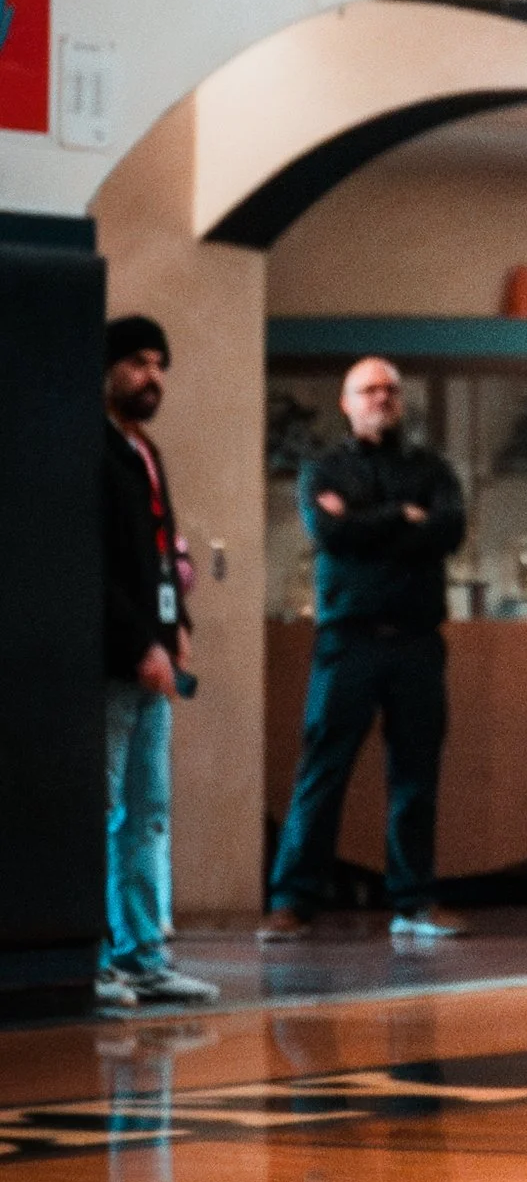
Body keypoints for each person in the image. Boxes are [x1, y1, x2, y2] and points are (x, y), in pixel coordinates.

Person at [260, 358, 467, 946]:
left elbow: (448, 531)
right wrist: (403, 517)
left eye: (391, 389)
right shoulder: (320, 469)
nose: (382, 397)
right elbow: (329, 535)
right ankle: (292, 902)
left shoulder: (433, 470)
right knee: (321, 772)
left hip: (418, 645)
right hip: (345, 643)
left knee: (415, 777)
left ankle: (414, 902)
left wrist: (362, 522)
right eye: (368, 389)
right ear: (346, 403)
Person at [97, 317, 220, 1013]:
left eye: (160, 364)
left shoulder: (147, 452)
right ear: (109, 369)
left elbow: (160, 556)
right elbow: (98, 567)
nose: (153, 377)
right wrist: (139, 643)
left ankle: (142, 957)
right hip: (115, 665)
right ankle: (91, 957)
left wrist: (177, 631)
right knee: (104, 807)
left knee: (147, 813)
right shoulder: (93, 449)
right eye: (138, 362)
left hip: (152, 660)